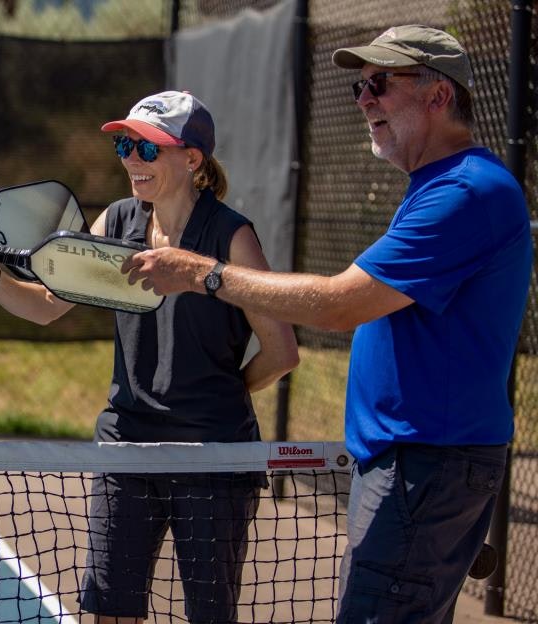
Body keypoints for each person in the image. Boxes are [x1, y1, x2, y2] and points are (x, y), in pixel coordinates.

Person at [122, 26, 532, 623]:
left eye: (380, 84)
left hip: (425, 465)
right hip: (414, 463)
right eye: (360, 86)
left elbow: (339, 305)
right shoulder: (440, 187)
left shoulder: (464, 192)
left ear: (439, 95)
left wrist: (202, 273)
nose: (363, 99)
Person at [0, 90, 299, 623]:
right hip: (125, 449)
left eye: (148, 149)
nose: (131, 160)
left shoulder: (232, 236)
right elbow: (48, 306)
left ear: (192, 159)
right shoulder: (116, 222)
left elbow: (281, 351)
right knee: (111, 612)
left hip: (214, 458)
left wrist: (219, 398)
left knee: (211, 614)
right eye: (125, 145)